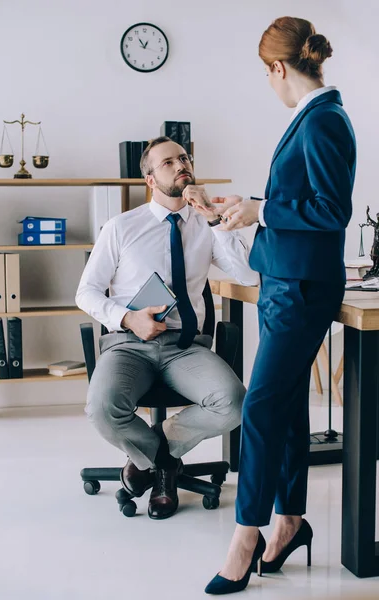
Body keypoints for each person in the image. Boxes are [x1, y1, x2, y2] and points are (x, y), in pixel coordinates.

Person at [185, 16, 356, 595]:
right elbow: (301, 201)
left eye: (266, 73)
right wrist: (253, 204)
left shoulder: (325, 120)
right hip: (284, 279)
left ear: (279, 68)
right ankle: (289, 520)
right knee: (282, 407)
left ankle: (246, 535)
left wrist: (261, 211)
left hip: (302, 287)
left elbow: (333, 212)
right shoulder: (313, 118)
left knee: (260, 407)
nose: (268, 82)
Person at [75, 136, 258, 520]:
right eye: (169, 162)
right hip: (129, 343)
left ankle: (152, 457)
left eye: (185, 158)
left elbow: (248, 274)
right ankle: (163, 466)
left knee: (236, 402)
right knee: (103, 408)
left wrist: (214, 220)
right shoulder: (121, 227)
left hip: (185, 347)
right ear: (150, 180)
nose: (181, 165)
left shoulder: (207, 225)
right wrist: (128, 318)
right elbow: (86, 293)